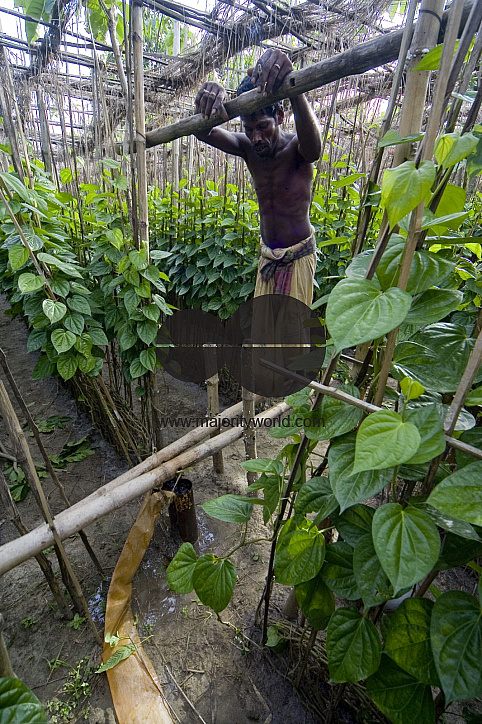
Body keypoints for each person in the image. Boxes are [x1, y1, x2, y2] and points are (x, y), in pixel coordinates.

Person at [194, 48, 322, 307]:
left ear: (281, 117)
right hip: (267, 257)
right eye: (249, 130)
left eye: (263, 127)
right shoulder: (247, 148)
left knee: (290, 341)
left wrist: (294, 88)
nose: (257, 138)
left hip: (297, 258)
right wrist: (209, 99)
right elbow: (202, 132)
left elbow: (315, 149)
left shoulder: (297, 148)